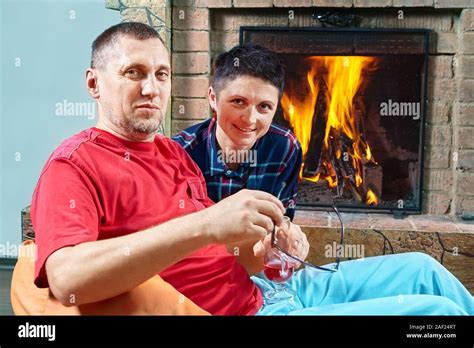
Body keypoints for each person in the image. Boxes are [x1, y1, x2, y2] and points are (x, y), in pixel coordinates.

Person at [31, 22, 473, 316]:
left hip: (272, 289)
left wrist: (264, 249)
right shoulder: (74, 165)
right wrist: (207, 223)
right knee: (439, 316)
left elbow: (224, 257)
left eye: (162, 74)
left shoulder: (170, 155)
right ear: (93, 83)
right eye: (133, 72)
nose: (151, 88)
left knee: (422, 268)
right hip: (256, 313)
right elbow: (67, 279)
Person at [172, 44, 302, 221]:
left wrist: (287, 235)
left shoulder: (286, 147)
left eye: (264, 106)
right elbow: (174, 232)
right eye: (238, 101)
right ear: (213, 99)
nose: (250, 119)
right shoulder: (179, 152)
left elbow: (280, 220)